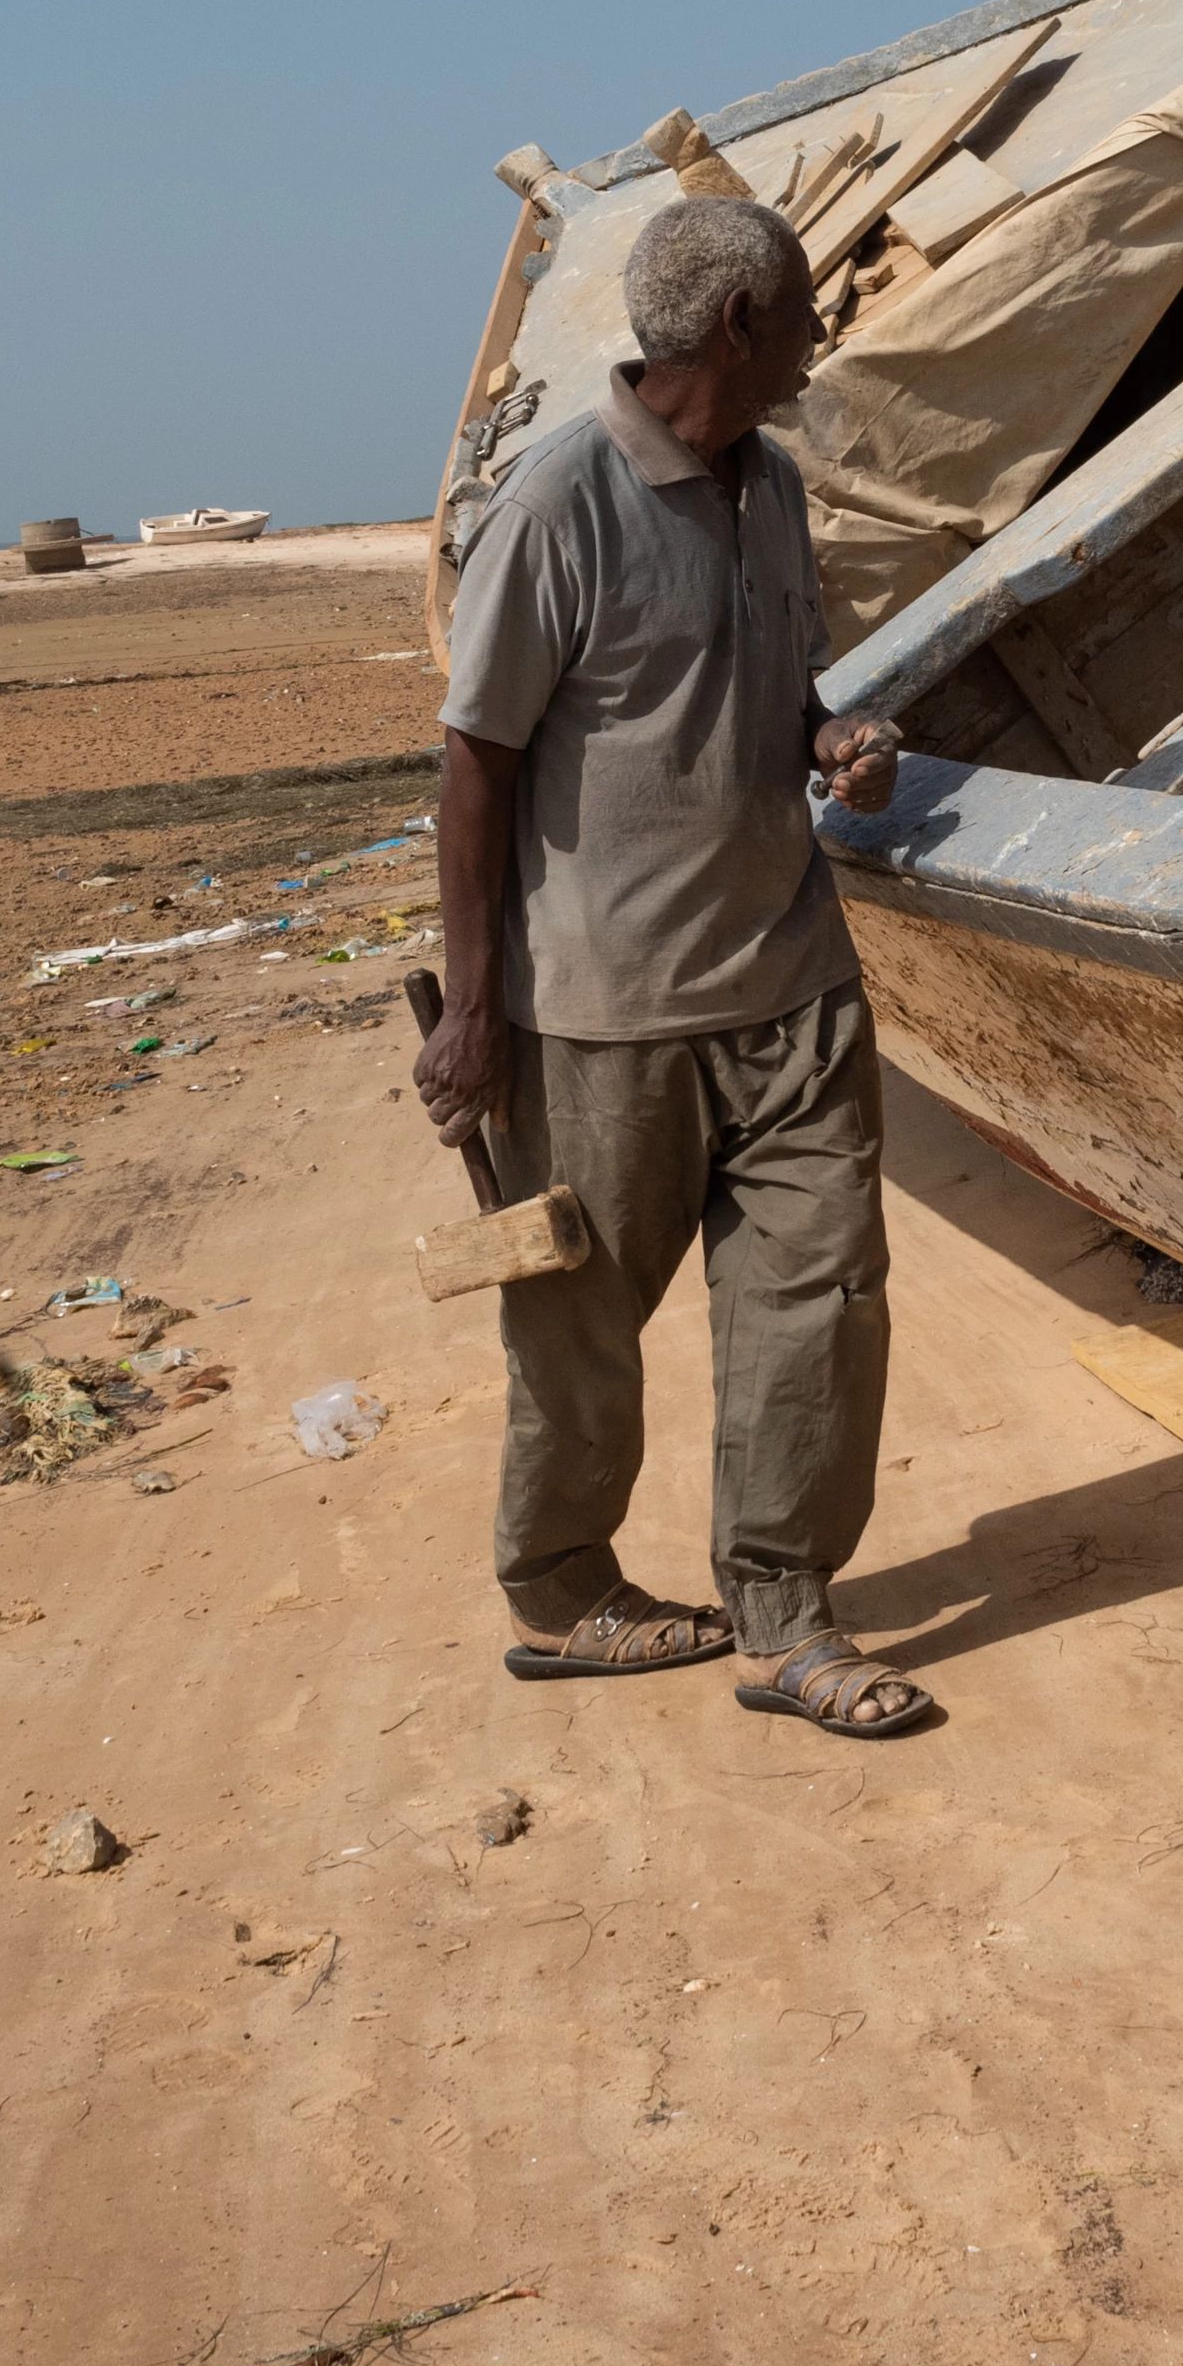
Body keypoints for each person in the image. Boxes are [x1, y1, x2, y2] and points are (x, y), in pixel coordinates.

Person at [416, 192, 935, 1737]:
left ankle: (785, 1615)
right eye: (804, 313)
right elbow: (474, 770)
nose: (820, 337)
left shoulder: (769, 487)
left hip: (792, 987)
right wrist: (473, 1018)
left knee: (820, 1301)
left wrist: (829, 736)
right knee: (581, 1321)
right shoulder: (562, 503)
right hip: (603, 1016)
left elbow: (765, 680)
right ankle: (565, 1588)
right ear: (737, 328)